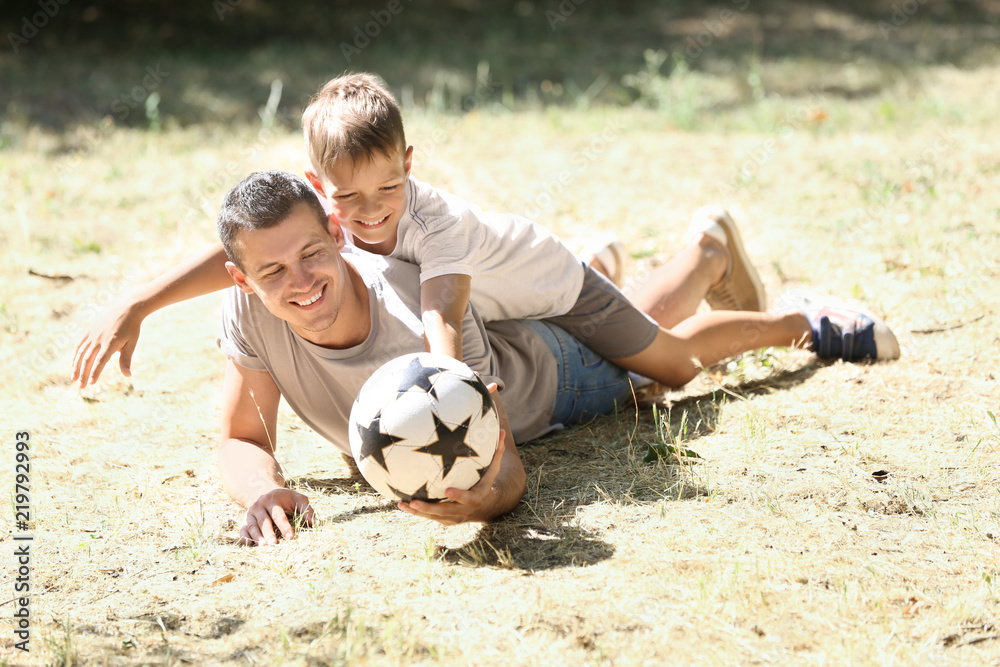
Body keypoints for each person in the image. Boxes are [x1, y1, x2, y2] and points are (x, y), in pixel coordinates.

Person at [111, 170, 895, 546]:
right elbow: (242, 439)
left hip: (551, 380)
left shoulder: (422, 312)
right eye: (273, 271)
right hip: (523, 329)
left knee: (669, 367)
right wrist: (264, 492)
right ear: (242, 278)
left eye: (312, 254)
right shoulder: (248, 308)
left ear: (339, 236)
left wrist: (484, 502)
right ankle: (650, 258)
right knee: (640, 324)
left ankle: (783, 308)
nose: (301, 282)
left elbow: (510, 467)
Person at [72, 72, 896, 393]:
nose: (370, 215)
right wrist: (142, 299)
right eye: (350, 202)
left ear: (410, 164)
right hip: (507, 310)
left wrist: (440, 372)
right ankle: (691, 250)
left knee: (669, 367)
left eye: (388, 188)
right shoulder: (327, 219)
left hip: (550, 285)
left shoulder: (432, 221)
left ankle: (796, 317)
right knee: (637, 338)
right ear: (323, 191)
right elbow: (250, 260)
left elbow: (441, 304)